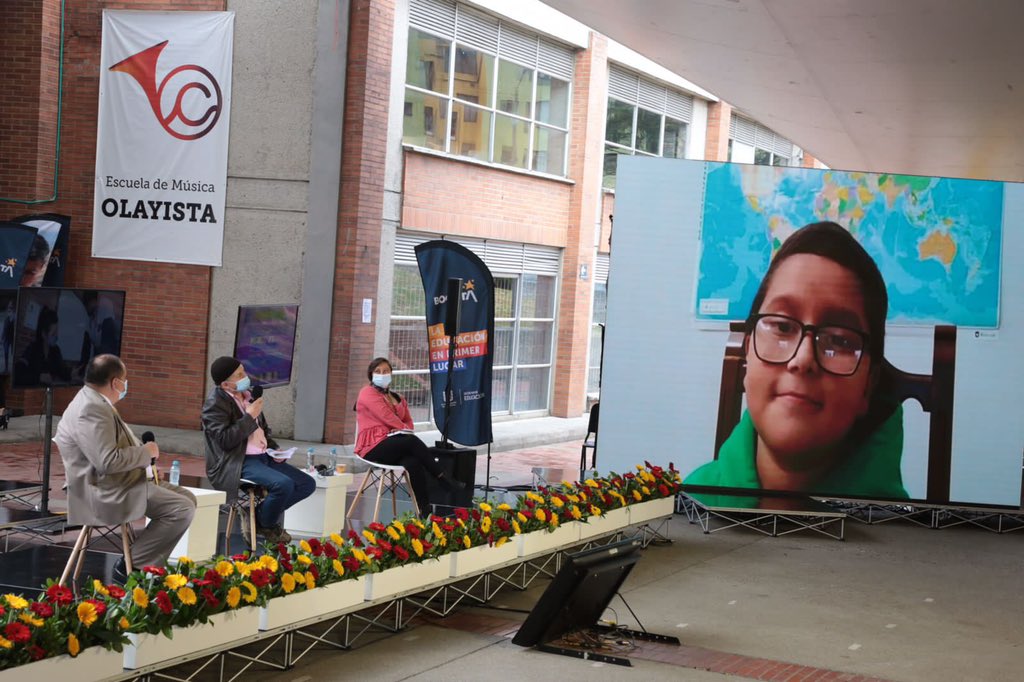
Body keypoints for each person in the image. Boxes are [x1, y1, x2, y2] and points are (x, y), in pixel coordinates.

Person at [685, 221, 909, 499]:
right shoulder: (689, 502)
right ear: (747, 354)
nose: (803, 360)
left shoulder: (899, 531)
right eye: (782, 327)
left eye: (838, 340)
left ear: (868, 384)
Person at [54, 354, 197, 582]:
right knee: (180, 508)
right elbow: (107, 461)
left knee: (188, 498)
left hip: (114, 482)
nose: (125, 385)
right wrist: (147, 453)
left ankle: (146, 564)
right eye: (125, 380)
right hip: (102, 491)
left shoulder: (94, 401)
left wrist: (146, 469)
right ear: (115, 383)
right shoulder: (92, 408)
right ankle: (133, 566)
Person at [201, 356, 314, 545]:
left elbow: (263, 430)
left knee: (306, 484)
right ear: (225, 384)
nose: (246, 376)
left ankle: (258, 518)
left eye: (244, 371)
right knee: (283, 485)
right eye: (239, 374)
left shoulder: (248, 396)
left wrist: (274, 449)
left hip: (262, 456)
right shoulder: (214, 404)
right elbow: (225, 440)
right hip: (235, 462)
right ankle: (266, 524)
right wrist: (249, 415)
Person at [355, 357, 464, 516]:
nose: (382, 374)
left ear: (391, 373)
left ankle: (425, 511)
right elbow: (386, 416)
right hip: (372, 446)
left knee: (413, 462)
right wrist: (403, 430)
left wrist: (403, 430)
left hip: (393, 444)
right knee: (411, 441)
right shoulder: (367, 393)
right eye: (378, 371)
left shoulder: (397, 397)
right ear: (371, 375)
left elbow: (408, 421)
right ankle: (442, 477)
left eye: (386, 371)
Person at [15, 306, 70, 386]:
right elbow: (18, 375)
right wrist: (39, 377)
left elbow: (62, 371)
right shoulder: (32, 349)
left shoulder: (56, 350)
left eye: (57, 332)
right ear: (44, 334)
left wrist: (71, 374)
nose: (57, 336)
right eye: (53, 333)